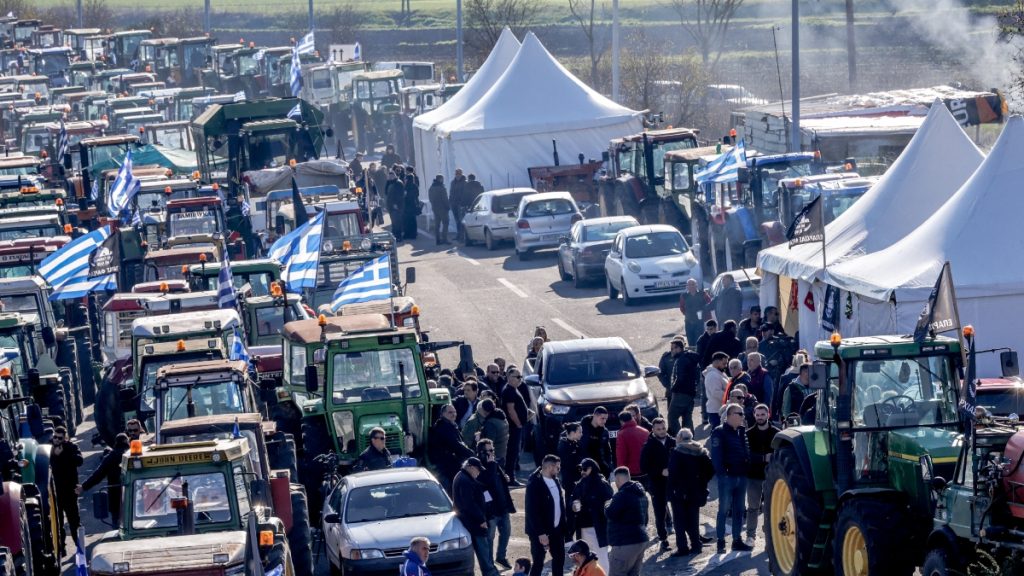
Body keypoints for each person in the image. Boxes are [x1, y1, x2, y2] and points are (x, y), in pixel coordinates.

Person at [710, 403, 753, 553]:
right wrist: (724, 473)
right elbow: (715, 456)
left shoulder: (741, 432)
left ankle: (737, 540)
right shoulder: (719, 432)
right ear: (729, 416)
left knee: (739, 510)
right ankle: (721, 542)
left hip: (741, 476)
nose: (743, 417)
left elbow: (746, 451)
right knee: (723, 509)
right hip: (728, 478)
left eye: (742, 414)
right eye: (739, 414)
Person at [667, 428, 715, 556]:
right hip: (696, 492)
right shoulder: (701, 452)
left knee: (679, 522)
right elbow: (711, 470)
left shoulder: (677, 453)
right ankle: (696, 545)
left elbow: (673, 473)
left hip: (680, 493)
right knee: (693, 520)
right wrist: (702, 482)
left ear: (680, 438)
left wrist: (672, 490)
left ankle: (683, 548)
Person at [453, 457, 500, 576]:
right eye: (477, 469)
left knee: (484, 550)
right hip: (474, 524)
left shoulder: (463, 477)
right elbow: (469, 504)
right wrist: (481, 519)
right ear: (469, 467)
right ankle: (491, 573)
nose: (478, 472)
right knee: (484, 552)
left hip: (472, 522)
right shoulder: (465, 480)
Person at [525, 455, 567, 576]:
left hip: (557, 531)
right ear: (550, 467)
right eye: (557, 468)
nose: (559, 470)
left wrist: (564, 529)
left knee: (559, 560)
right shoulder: (534, 484)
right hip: (540, 533)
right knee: (538, 563)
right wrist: (540, 533)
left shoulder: (556, 480)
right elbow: (532, 511)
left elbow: (560, 505)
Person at [477, 439, 515, 571]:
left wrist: (505, 477)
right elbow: (487, 481)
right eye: (490, 451)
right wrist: (492, 465)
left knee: (506, 532)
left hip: (502, 506)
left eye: (493, 450)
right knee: (490, 538)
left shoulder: (494, 464)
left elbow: (498, 478)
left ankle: (501, 556)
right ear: (482, 453)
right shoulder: (480, 466)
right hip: (491, 510)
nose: (492, 453)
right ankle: (489, 563)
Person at [78, 433, 129, 528]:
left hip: (116, 498)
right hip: (135, 497)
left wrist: (83, 487)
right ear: (127, 442)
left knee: (117, 524)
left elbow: (98, 475)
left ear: (115, 443)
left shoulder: (110, 457)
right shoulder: (133, 455)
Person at [570, 458, 612, 573]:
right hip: (582, 528)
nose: (582, 471)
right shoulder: (579, 484)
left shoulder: (602, 484)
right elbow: (572, 501)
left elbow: (610, 504)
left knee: (602, 558)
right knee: (584, 559)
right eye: (580, 469)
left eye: (584, 469)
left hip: (598, 528)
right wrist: (574, 505)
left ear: (592, 469)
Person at [605, 467, 649, 576]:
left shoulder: (622, 495)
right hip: (641, 540)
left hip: (625, 544)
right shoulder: (641, 494)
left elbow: (610, 513)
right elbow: (645, 519)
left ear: (618, 479)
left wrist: (606, 504)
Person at [640, 418, 675, 552]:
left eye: (663, 428)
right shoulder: (648, 446)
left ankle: (685, 536)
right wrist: (660, 471)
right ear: (653, 430)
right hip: (657, 484)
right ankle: (663, 538)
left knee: (680, 510)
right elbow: (644, 467)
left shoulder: (673, 442)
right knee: (660, 512)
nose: (662, 431)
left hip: (674, 483)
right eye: (658, 429)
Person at [746, 404, 779, 542]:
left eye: (762, 414)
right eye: (757, 415)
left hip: (771, 476)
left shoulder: (777, 433)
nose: (760, 417)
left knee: (770, 509)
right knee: (753, 507)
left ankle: (769, 539)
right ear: (754, 415)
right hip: (754, 476)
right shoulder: (748, 433)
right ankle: (750, 536)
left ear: (768, 415)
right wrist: (763, 457)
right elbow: (746, 455)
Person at [50, 425, 83, 554]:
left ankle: (79, 547)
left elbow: (79, 460)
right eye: (55, 437)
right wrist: (54, 454)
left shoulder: (71, 447)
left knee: (74, 521)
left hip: (69, 491)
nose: (57, 440)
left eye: (60, 438)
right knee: (58, 522)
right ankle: (61, 547)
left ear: (65, 438)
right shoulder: (49, 448)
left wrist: (63, 455)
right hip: (55, 492)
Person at [428, 405, 474, 493]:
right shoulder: (443, 427)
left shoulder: (450, 424)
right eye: (450, 412)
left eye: (454, 412)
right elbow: (455, 444)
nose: (453, 414)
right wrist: (471, 453)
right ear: (442, 414)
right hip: (444, 465)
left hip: (449, 462)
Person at [666, 336, 701, 435]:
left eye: (673, 348)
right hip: (691, 393)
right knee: (687, 417)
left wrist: (673, 389)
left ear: (679, 348)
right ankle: (689, 439)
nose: (672, 351)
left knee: (672, 417)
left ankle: (679, 438)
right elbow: (698, 376)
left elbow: (679, 378)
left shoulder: (681, 360)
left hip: (681, 393)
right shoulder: (691, 358)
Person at [501, 369, 529, 481]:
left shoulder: (514, 389)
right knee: (512, 451)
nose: (520, 379)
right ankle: (510, 477)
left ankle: (511, 476)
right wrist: (518, 424)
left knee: (515, 451)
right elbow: (511, 410)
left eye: (520, 376)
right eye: (517, 377)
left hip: (516, 426)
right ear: (509, 377)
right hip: (513, 427)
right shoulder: (509, 391)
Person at [614, 411, 648, 483]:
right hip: (646, 470)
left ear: (621, 421)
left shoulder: (621, 434)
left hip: (631, 473)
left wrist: (620, 472)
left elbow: (621, 455)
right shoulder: (645, 431)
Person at [579, 407, 612, 476]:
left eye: (606, 419)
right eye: (602, 418)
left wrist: (608, 465)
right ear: (595, 416)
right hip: (585, 467)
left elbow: (608, 451)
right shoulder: (581, 429)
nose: (604, 421)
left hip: (600, 468)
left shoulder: (604, 432)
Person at [678, 279, 711, 346]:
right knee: (691, 341)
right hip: (688, 322)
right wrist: (687, 314)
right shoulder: (683, 296)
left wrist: (704, 312)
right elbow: (682, 307)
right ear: (687, 286)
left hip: (700, 321)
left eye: (693, 284)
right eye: (689, 285)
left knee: (699, 340)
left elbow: (709, 303)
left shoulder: (703, 294)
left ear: (696, 285)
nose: (691, 286)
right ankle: (692, 354)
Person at [703, 353, 730, 428]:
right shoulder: (712, 375)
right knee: (717, 432)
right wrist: (730, 398)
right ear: (717, 361)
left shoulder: (718, 373)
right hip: (716, 410)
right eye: (724, 363)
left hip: (719, 409)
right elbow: (716, 393)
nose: (726, 366)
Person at [557, 423, 584, 497]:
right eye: (580, 432)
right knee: (570, 501)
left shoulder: (575, 443)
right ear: (572, 433)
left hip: (576, 477)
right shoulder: (563, 445)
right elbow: (567, 463)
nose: (581, 434)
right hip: (569, 479)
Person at [428, 175, 450, 245]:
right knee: (445, 223)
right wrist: (448, 206)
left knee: (437, 225)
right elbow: (445, 199)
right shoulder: (441, 188)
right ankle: (444, 239)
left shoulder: (431, 187)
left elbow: (430, 198)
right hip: (443, 208)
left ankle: (437, 240)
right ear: (440, 179)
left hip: (435, 208)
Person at [385, 171, 406, 240]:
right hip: (390, 206)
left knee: (397, 222)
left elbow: (400, 195)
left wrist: (396, 204)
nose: (390, 177)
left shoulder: (398, 183)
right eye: (389, 176)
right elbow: (386, 192)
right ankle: (394, 237)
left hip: (397, 206)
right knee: (393, 222)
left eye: (392, 176)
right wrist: (387, 182)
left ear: (395, 175)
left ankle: (398, 236)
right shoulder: (390, 183)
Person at [450, 168, 469, 241]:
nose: (457, 175)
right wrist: (450, 202)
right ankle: (458, 235)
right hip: (454, 203)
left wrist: (463, 202)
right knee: (457, 220)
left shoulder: (465, 182)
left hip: (461, 204)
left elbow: (466, 193)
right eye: (456, 174)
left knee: (462, 220)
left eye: (459, 174)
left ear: (461, 174)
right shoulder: (453, 182)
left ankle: (462, 236)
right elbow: (451, 193)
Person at [403, 174, 420, 241]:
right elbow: (417, 194)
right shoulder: (414, 186)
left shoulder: (407, 186)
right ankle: (413, 234)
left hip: (408, 205)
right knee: (412, 220)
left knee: (408, 220)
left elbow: (406, 195)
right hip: (413, 205)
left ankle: (408, 234)